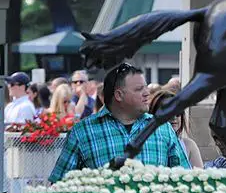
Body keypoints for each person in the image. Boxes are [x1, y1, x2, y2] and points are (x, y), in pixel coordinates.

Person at [49, 63, 190, 183]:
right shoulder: (83, 131)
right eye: (139, 89)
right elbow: (59, 185)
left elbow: (185, 179)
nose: (147, 93)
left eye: (146, 87)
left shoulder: (163, 128)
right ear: (119, 95)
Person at [149, 89, 203, 168]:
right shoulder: (148, 144)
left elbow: (200, 178)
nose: (174, 117)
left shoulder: (189, 145)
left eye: (178, 112)